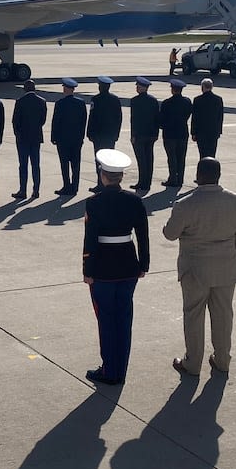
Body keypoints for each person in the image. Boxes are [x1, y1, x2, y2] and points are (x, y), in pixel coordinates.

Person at [162, 157, 236, 377]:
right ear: (218, 175)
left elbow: (170, 234)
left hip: (195, 270)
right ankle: (222, 360)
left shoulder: (185, 204)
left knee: (194, 315)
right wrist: (232, 258)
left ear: (198, 176)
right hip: (226, 268)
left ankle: (192, 363)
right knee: (223, 315)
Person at [82, 149, 151, 386]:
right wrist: (144, 264)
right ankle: (119, 369)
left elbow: (90, 240)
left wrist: (87, 270)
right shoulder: (134, 200)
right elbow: (143, 235)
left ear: (103, 175)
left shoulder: (94, 203)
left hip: (102, 269)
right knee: (124, 319)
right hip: (128, 267)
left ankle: (109, 369)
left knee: (106, 320)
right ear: (120, 176)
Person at [51, 77, 87, 197]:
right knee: (76, 164)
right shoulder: (81, 103)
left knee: (64, 164)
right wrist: (81, 137)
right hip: (76, 139)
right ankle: (75, 187)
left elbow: (56, 121)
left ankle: (66, 186)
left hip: (63, 140)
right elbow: (83, 122)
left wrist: (53, 137)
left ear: (66, 89)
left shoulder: (60, 104)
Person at [11, 79, 47, 199]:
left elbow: (15, 121)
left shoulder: (20, 101)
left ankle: (23, 190)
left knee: (23, 165)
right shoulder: (42, 101)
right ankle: (36, 190)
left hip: (23, 138)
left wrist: (18, 134)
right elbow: (43, 120)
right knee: (36, 165)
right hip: (36, 137)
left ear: (25, 89)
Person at [86, 76, 122, 192]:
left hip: (98, 135)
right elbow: (119, 118)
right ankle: (108, 184)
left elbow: (92, 117)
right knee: (109, 161)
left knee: (99, 160)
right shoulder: (115, 99)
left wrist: (89, 132)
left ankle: (100, 184)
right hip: (110, 136)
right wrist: (116, 134)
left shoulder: (95, 99)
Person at [127, 76, 160, 195]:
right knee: (149, 158)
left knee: (141, 160)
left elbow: (134, 120)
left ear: (142, 87)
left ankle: (142, 182)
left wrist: (133, 135)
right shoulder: (153, 100)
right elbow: (157, 119)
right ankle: (147, 183)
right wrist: (156, 134)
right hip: (151, 134)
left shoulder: (135, 101)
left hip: (140, 135)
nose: (136, 87)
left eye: (138, 86)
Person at [160, 78, 193, 187]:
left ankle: (172, 178)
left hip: (169, 134)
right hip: (182, 133)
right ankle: (180, 179)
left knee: (172, 158)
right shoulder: (187, 101)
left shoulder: (166, 103)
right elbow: (188, 114)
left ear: (173, 90)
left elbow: (162, 119)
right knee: (181, 157)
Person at [191, 78, 224, 159]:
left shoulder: (197, 100)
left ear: (203, 87)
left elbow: (195, 118)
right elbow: (220, 117)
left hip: (201, 132)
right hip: (213, 132)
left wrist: (193, 133)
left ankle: (203, 170)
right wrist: (219, 131)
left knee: (202, 154)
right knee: (212, 154)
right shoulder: (218, 99)